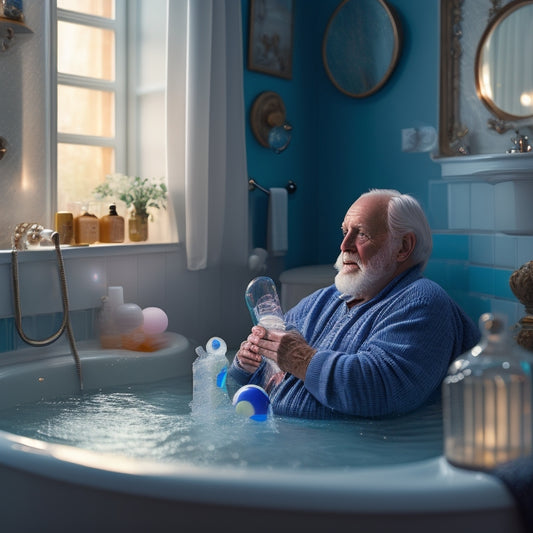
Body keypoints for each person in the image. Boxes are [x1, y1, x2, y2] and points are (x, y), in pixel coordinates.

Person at [227, 189, 480, 419]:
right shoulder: (324, 299)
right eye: (344, 232)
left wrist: (301, 359)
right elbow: (259, 375)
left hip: (364, 458)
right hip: (292, 443)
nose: (344, 245)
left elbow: (381, 390)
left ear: (403, 247)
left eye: (361, 234)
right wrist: (247, 363)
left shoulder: (423, 301)